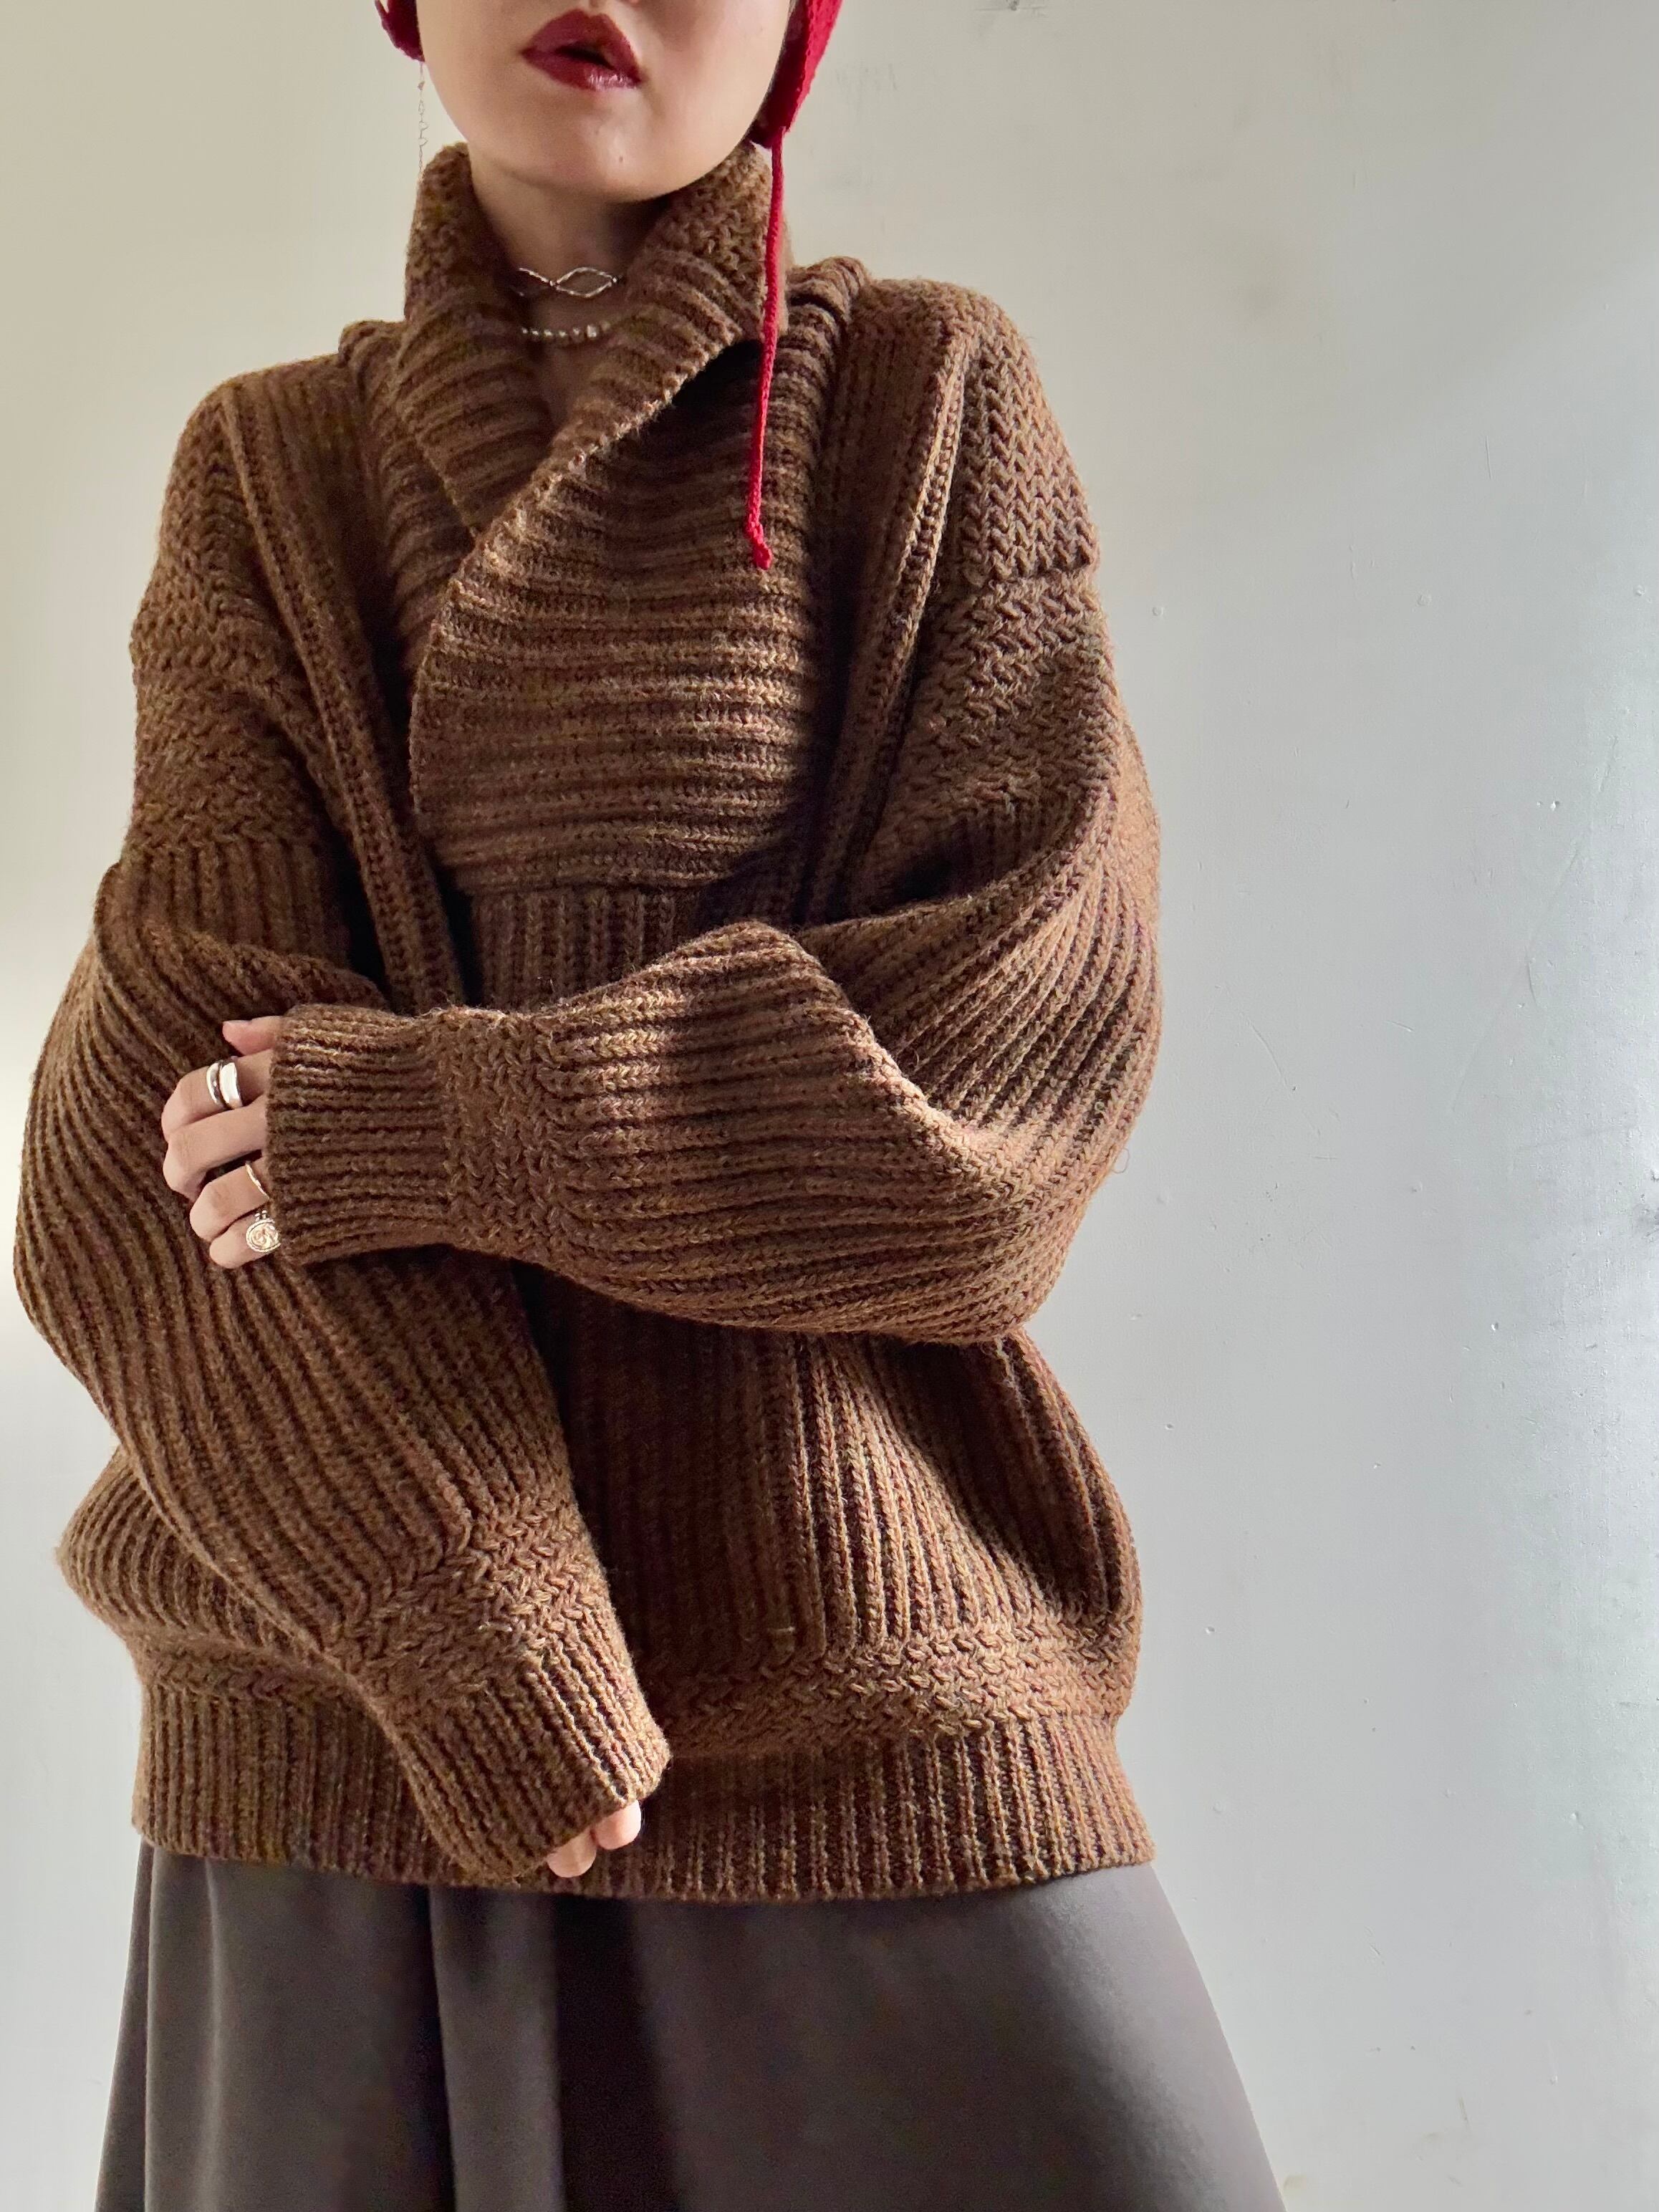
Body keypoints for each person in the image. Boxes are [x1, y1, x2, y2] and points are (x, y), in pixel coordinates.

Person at [14, 2, 1287, 2205]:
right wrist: (469, 1624)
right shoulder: (269, 474)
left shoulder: (923, 406)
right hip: (342, 1730)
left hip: (856, 1678)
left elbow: (992, 1101)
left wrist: (440, 1122)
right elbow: (155, 1145)